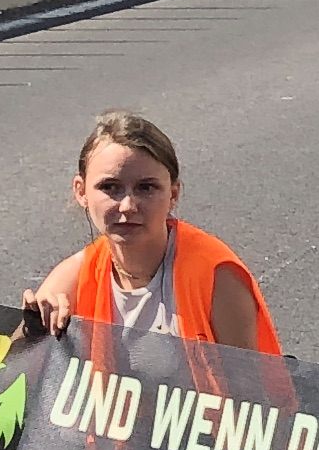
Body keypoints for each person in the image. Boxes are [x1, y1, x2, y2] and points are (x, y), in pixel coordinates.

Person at [20, 112, 281, 389]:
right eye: (110, 188)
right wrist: (33, 331)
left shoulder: (215, 274)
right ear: (81, 192)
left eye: (146, 188)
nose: (128, 206)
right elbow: (2, 382)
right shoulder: (75, 275)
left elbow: (252, 406)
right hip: (116, 431)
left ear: (173, 194)